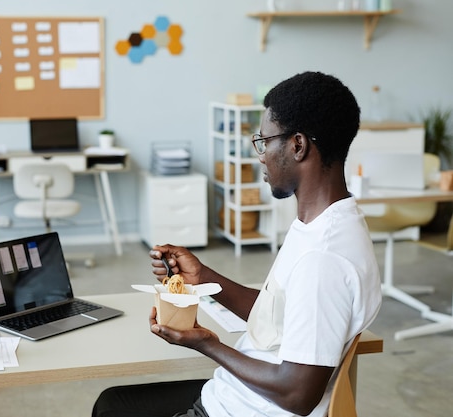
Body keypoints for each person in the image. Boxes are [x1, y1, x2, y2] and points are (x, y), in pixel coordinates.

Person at [92, 71, 382, 417]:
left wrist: (208, 345)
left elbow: (298, 395)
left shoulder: (323, 257)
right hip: (236, 393)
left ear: (298, 145)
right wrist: (202, 278)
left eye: (263, 141)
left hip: (244, 408)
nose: (260, 154)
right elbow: (282, 317)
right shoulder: (324, 224)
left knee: (113, 410)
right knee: (113, 404)